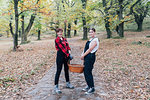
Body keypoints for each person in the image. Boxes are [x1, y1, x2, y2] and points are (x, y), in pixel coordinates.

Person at [54, 28, 74, 94]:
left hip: (66, 56)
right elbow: (62, 49)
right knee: (58, 71)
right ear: (57, 33)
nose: (60, 34)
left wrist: (70, 52)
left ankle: (68, 83)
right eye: (59, 33)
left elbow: (68, 47)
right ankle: (56, 86)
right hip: (60, 57)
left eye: (61, 32)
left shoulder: (65, 39)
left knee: (66, 70)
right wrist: (69, 55)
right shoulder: (57, 40)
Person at [81, 28, 99, 94]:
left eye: (92, 32)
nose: (90, 33)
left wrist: (83, 56)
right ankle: (88, 85)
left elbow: (90, 49)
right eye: (90, 32)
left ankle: (92, 87)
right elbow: (85, 48)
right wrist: (82, 54)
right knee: (85, 72)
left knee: (88, 72)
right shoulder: (90, 39)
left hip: (90, 57)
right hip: (87, 56)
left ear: (94, 32)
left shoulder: (95, 40)